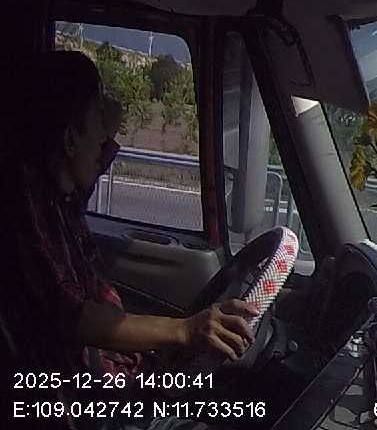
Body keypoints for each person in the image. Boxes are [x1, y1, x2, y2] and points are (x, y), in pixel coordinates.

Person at [0, 51, 257, 427]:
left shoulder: (62, 197)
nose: (106, 144)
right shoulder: (26, 209)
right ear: (70, 140)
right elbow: (73, 318)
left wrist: (102, 123)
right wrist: (184, 330)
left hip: (117, 380)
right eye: (98, 132)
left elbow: (89, 160)